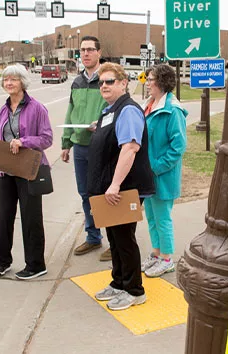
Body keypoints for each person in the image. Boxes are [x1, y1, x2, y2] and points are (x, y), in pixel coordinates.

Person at [88, 62, 155, 311]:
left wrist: (115, 185)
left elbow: (130, 148)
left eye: (109, 81)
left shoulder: (127, 110)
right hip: (110, 188)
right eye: (101, 82)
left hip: (124, 188)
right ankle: (119, 282)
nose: (103, 86)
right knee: (114, 239)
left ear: (123, 83)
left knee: (124, 239)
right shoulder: (110, 110)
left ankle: (135, 290)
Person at [0, 64, 53, 280]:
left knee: (31, 218)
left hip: (29, 170)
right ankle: (2, 261)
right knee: (4, 217)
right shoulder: (3, 109)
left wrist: (23, 141)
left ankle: (36, 265)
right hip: (7, 171)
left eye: (14, 79)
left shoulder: (37, 108)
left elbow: (47, 138)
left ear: (23, 82)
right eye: (6, 79)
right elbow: (0, 142)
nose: (9, 83)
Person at [60, 36, 111, 261]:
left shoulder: (108, 79)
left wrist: (100, 124)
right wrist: (66, 143)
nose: (86, 53)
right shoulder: (77, 82)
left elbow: (117, 108)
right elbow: (70, 112)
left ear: (99, 52)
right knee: (86, 194)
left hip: (103, 146)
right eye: (83, 50)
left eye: (91, 49)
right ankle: (93, 237)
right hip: (80, 147)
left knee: (107, 195)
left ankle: (115, 241)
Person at [140, 64, 187, 277]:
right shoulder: (149, 105)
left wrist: (155, 168)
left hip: (161, 176)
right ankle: (157, 254)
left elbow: (178, 148)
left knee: (162, 218)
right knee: (151, 216)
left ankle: (167, 259)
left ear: (161, 82)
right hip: (147, 175)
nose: (147, 83)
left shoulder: (173, 111)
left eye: (150, 79)